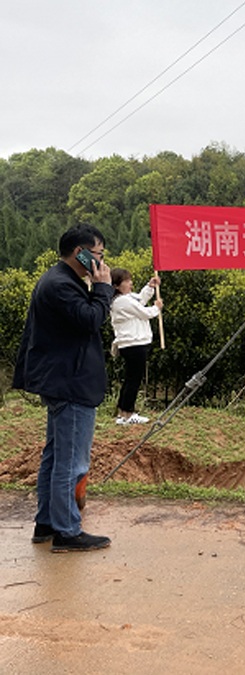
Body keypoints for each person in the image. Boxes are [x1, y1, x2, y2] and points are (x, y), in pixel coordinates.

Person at [13, 223, 114, 553]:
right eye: (98, 254)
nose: (101, 261)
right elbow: (90, 320)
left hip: (63, 379)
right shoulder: (61, 285)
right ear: (79, 253)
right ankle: (67, 532)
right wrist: (103, 288)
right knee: (71, 463)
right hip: (70, 383)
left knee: (56, 456)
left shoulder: (60, 279)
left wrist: (97, 288)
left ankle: (47, 523)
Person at [110, 268, 162, 425]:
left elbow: (139, 299)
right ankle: (128, 413)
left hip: (132, 344)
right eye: (126, 281)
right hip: (134, 343)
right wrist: (157, 307)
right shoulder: (122, 301)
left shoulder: (125, 299)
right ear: (117, 286)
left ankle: (122, 413)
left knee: (130, 378)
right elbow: (144, 312)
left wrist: (150, 287)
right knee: (134, 379)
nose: (130, 283)